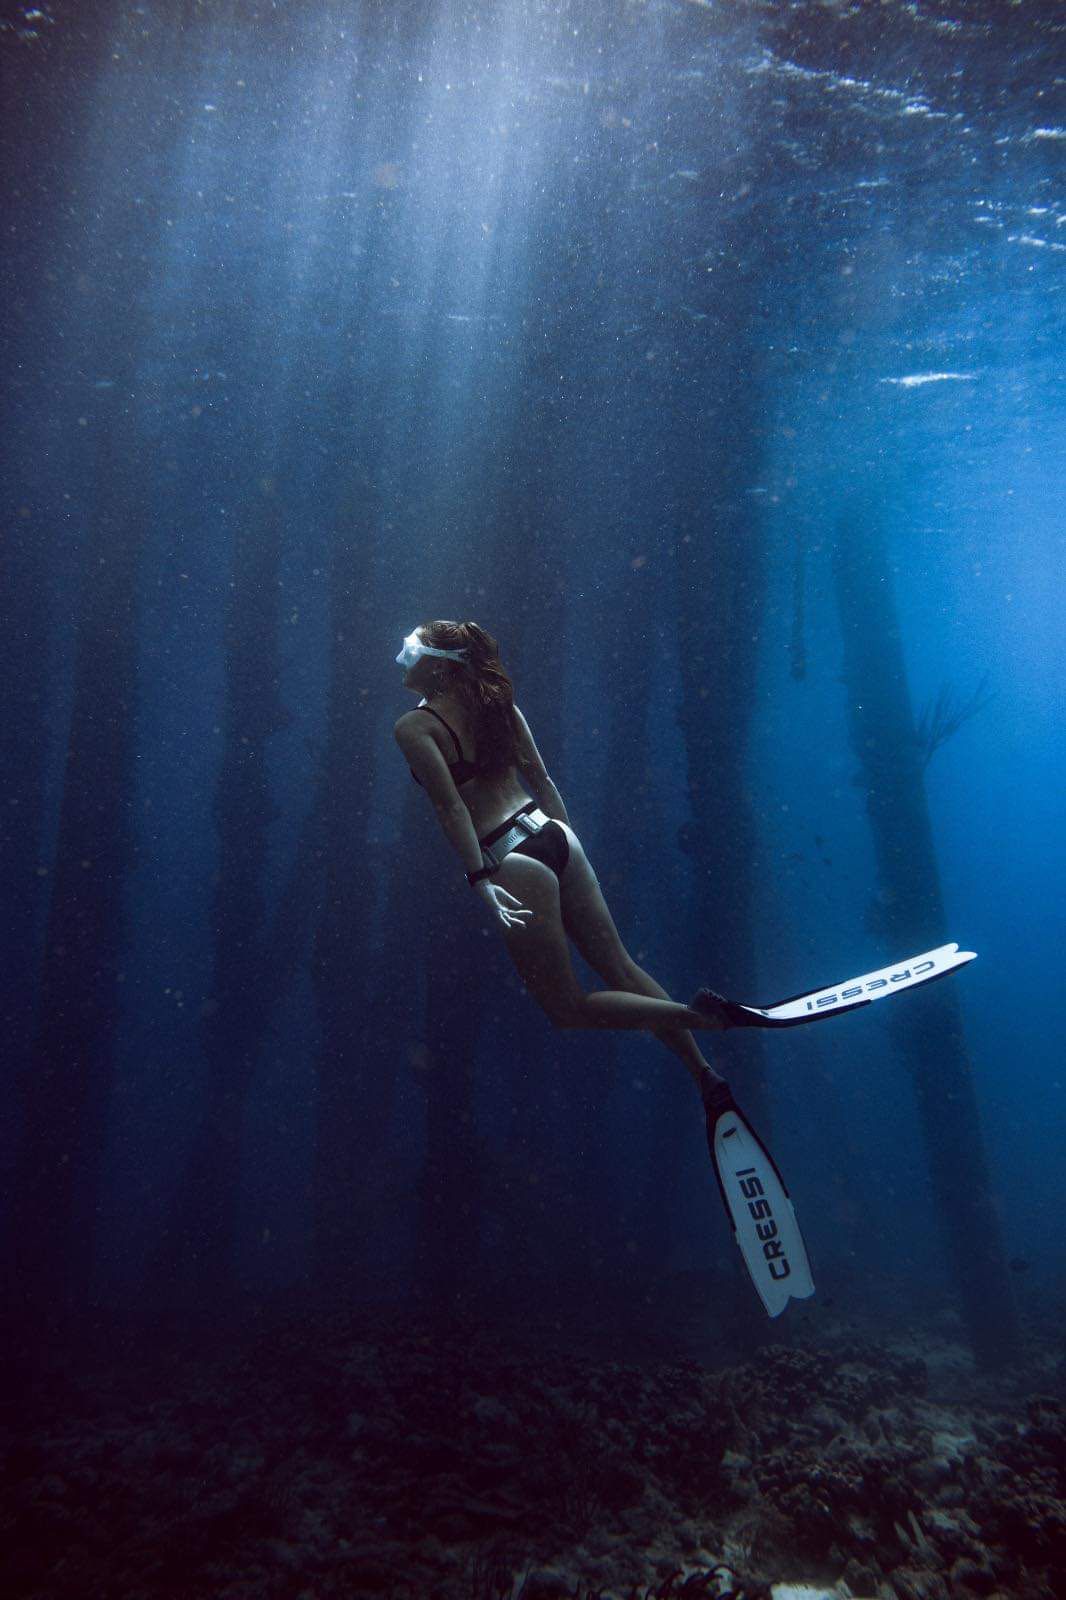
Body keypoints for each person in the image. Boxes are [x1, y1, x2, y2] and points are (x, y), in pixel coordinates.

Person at [393, 619, 728, 1103]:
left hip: (510, 856)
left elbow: (451, 807)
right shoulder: (499, 707)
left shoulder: (415, 727)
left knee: (566, 1008)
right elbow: (543, 781)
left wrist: (480, 877)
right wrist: (566, 849)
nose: (404, 656)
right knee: (622, 967)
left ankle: (701, 1018)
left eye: (415, 648)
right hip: (555, 835)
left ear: (441, 666)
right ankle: (704, 1075)